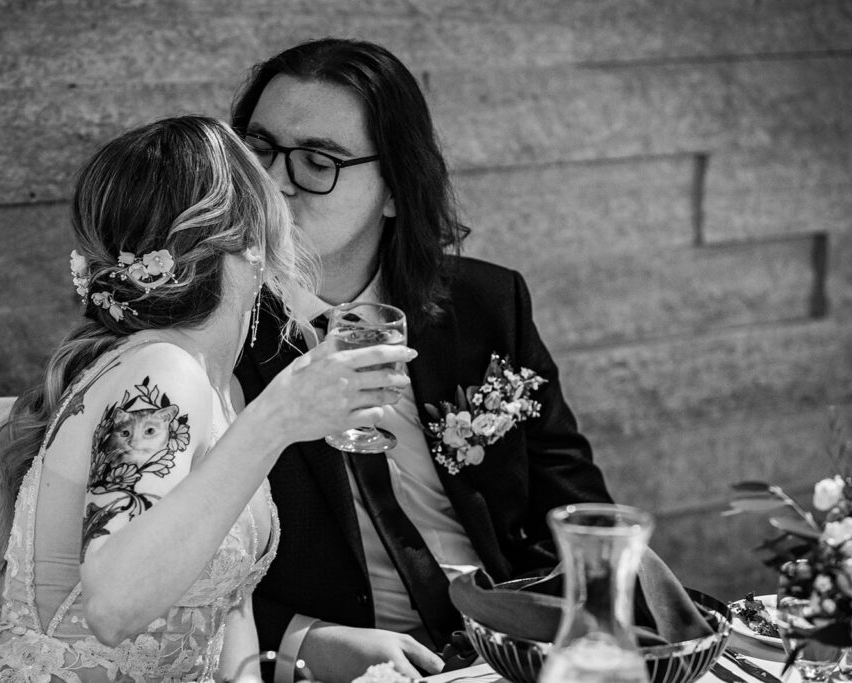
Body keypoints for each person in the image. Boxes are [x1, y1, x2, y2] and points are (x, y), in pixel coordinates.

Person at [0, 115, 415, 682]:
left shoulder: (220, 387)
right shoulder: (161, 373)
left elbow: (228, 611)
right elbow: (111, 608)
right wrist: (280, 417)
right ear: (254, 238)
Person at [231, 38, 615, 681]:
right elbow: (152, 565)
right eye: (260, 149)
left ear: (395, 189)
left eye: (317, 161)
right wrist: (305, 643)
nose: (272, 182)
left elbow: (575, 508)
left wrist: (570, 629)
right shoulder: (210, 333)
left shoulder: (488, 303)